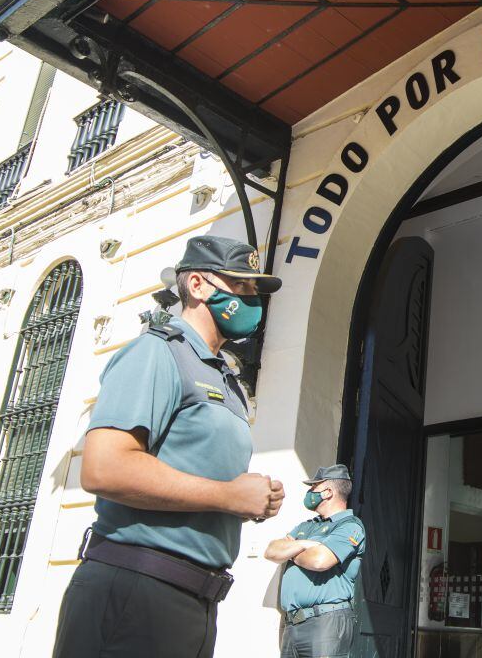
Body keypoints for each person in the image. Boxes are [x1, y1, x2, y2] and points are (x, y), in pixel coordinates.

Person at [52, 235, 287, 658]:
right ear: (198, 285)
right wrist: (228, 495)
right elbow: (104, 468)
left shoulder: (226, 379)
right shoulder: (156, 353)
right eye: (244, 287)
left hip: (193, 604)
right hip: (138, 593)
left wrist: (252, 497)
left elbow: (197, 470)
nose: (255, 300)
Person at [265, 464, 366, 658]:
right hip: (292, 623)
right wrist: (305, 544)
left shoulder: (350, 526)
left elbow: (320, 561)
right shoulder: (307, 527)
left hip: (326, 622)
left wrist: (292, 550)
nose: (310, 492)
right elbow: (272, 551)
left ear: (328, 492)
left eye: (314, 487)